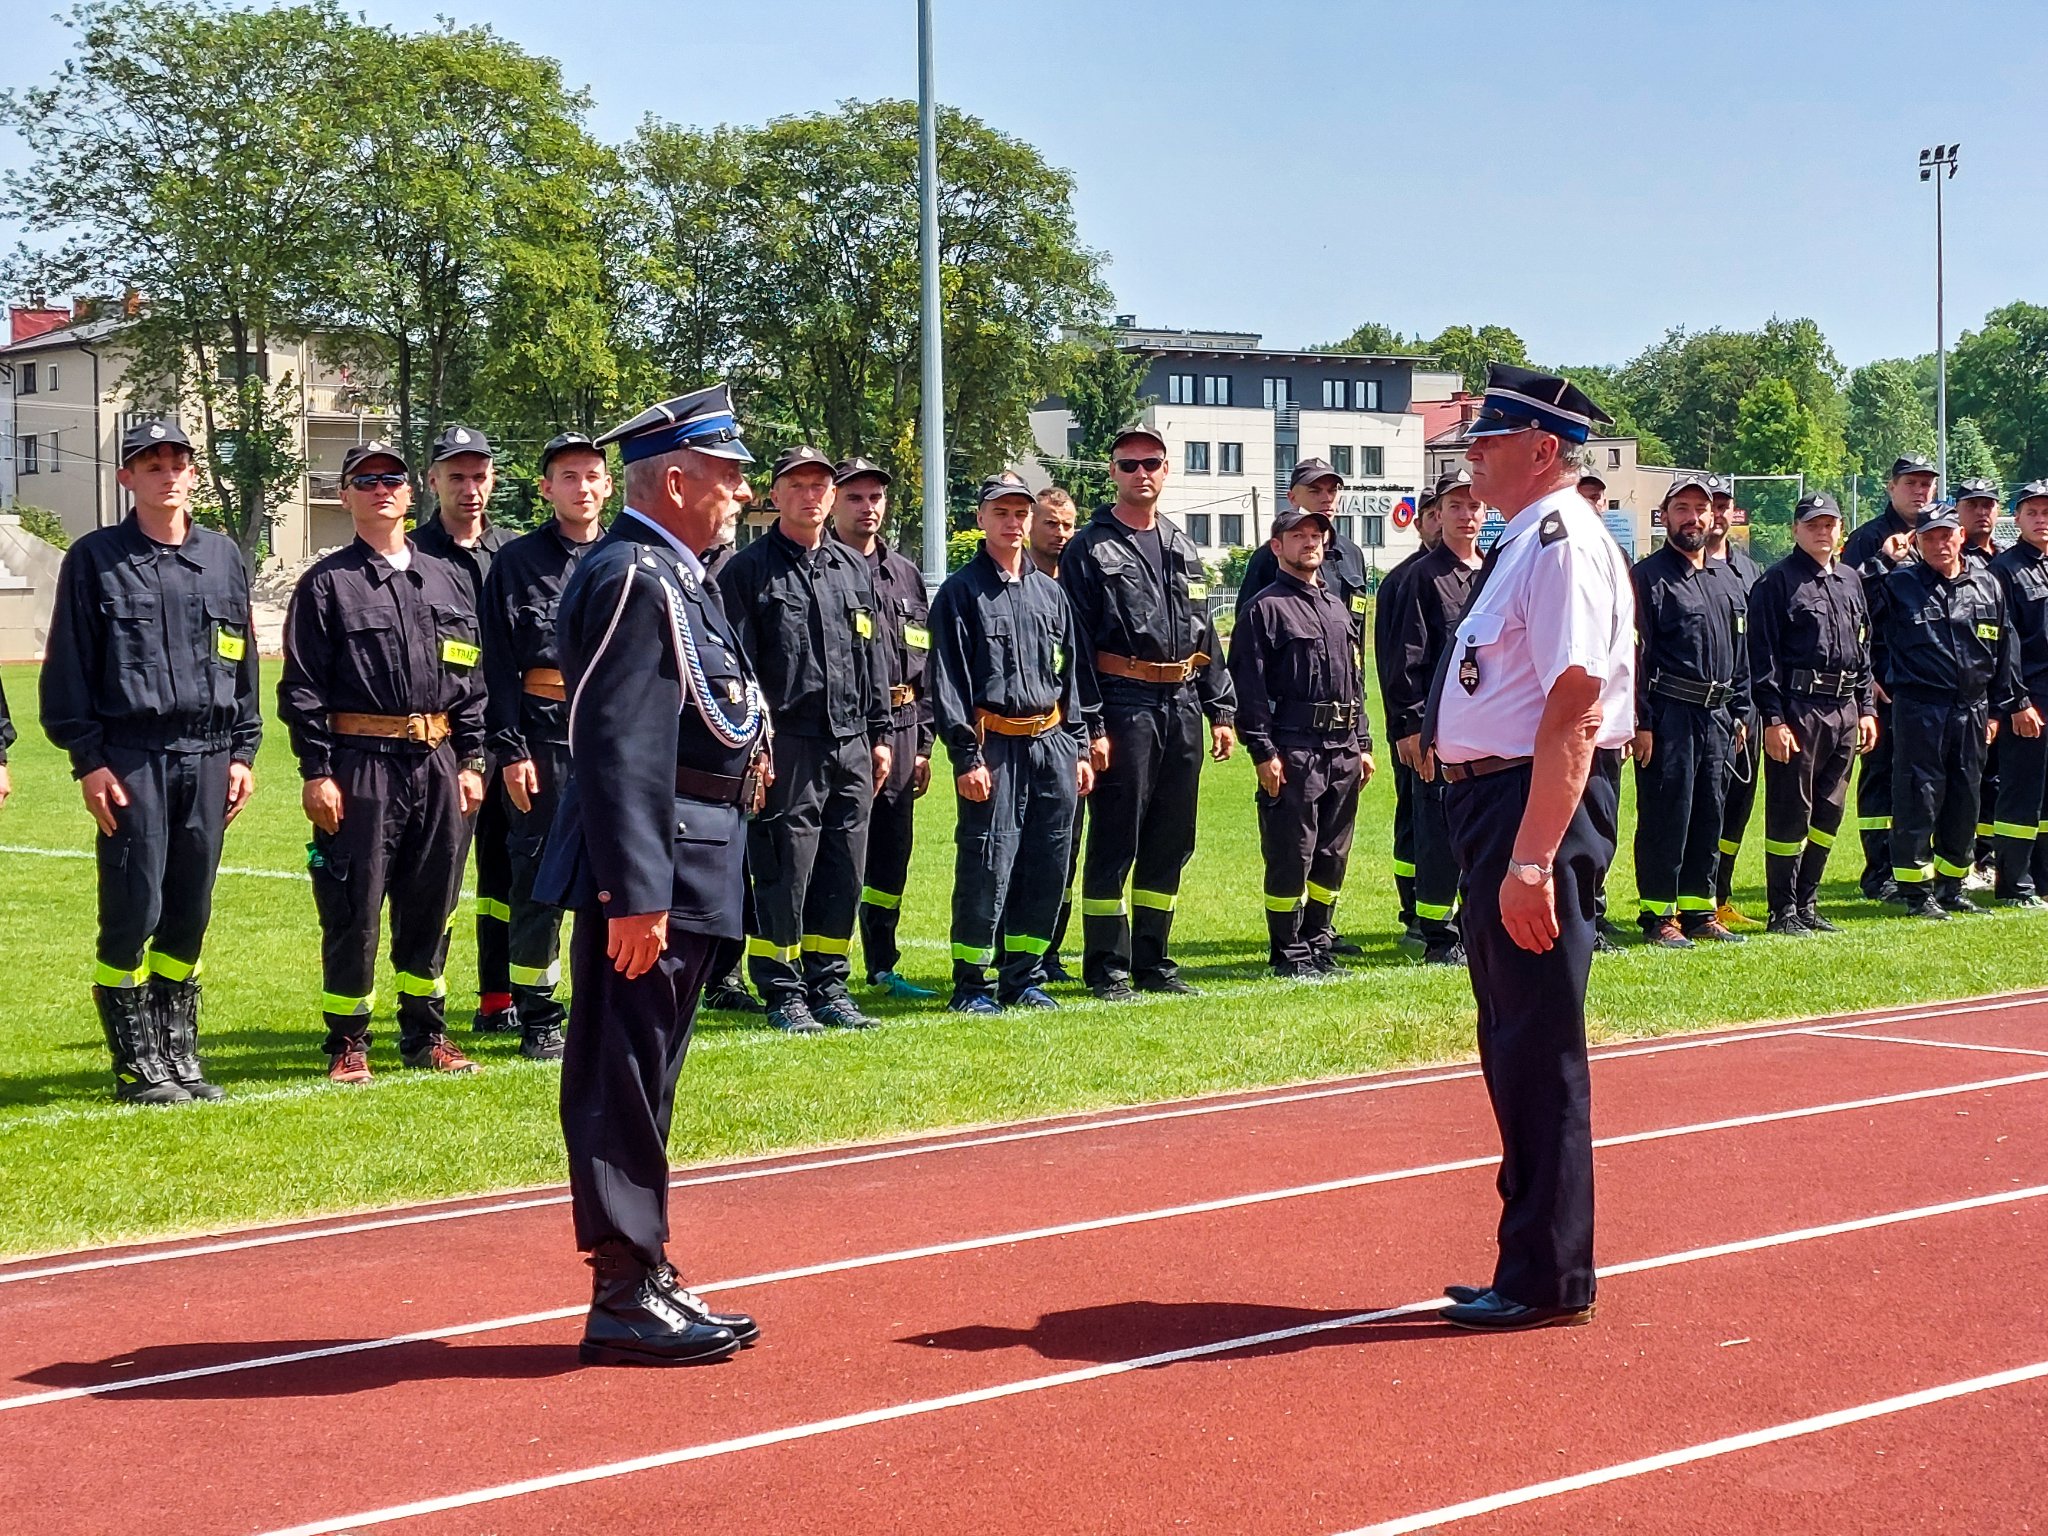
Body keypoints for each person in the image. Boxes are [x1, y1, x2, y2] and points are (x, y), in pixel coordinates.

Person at [535, 383, 768, 1366]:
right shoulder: (634, 574)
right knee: (620, 1077)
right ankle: (623, 1290)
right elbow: (620, 742)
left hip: (694, 851)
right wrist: (638, 892)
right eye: (727, 474)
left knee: (649, 1078)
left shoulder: (676, 575)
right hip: (657, 867)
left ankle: (648, 1268)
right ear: (675, 478)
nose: (741, 494)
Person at [1422, 364, 1634, 1331]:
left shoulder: (1559, 541)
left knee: (1538, 1041)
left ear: (1542, 449)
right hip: (1496, 804)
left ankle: (1548, 1275)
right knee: (1511, 1037)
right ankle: (1529, 1261)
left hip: (1530, 807)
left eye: (1488, 440)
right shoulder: (1524, 540)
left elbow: (1575, 707)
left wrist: (1533, 859)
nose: (1472, 456)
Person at [39, 419, 261, 1103]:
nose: (167, 473)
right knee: (135, 905)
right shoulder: (95, 558)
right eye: (150, 463)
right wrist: (88, 762)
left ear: (194, 473)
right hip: (132, 755)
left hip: (209, 751)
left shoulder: (223, 558)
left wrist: (244, 749)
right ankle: (136, 1062)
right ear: (126, 478)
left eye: (177, 462)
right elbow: (70, 666)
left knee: (190, 909)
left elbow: (242, 660)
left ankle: (178, 1053)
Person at [278, 439, 488, 1081]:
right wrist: (317, 771)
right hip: (361, 766)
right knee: (354, 906)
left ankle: (428, 1037)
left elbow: (471, 677)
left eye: (392, 478)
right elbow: (303, 688)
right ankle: (348, 1044)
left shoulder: (448, 578)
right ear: (345, 496)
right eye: (365, 480)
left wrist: (474, 757)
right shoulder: (326, 584)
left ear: (410, 491)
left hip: (439, 762)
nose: (381, 489)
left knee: (435, 903)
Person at [1059, 425, 1236, 1000]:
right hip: (1123, 702)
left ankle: (1153, 962)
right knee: (1116, 838)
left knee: (1171, 837)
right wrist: (1091, 728)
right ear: (1112, 472)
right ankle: (1106, 966)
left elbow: (1205, 632)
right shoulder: (1089, 547)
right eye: (1129, 464)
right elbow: (1077, 648)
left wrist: (1221, 709)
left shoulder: (1183, 546)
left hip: (1181, 702)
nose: (1142, 474)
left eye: (1151, 463)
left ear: (1166, 470)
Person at [720, 444, 892, 1033]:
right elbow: (735, 672)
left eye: (820, 485)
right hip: (786, 742)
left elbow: (872, 660)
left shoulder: (851, 568)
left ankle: (830, 983)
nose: (811, 495)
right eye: (797, 484)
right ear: (775, 495)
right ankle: (783, 991)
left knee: (844, 866)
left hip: (850, 742)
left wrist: (881, 734)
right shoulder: (746, 572)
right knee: (783, 870)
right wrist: (752, 747)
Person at [929, 474, 1094, 1012]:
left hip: (1051, 745)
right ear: (980, 519)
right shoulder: (960, 592)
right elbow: (948, 681)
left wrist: (1081, 747)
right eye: (1001, 511)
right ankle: (972, 983)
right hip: (993, 747)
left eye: (1020, 512)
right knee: (987, 860)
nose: (1013, 522)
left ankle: (1022, 976)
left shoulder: (1052, 593)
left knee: (1047, 861)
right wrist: (965, 755)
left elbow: (1073, 674)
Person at [477, 430, 609, 1060]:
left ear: (607, 485)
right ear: (546, 488)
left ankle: (601, 1007)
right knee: (538, 877)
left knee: (617, 875)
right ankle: (537, 1016)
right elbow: (497, 665)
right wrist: (509, 748)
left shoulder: (629, 555)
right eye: (568, 477)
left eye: (591, 475)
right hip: (545, 739)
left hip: (614, 741)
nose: (581, 488)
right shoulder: (517, 562)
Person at [1230, 500, 1369, 977]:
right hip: (1294, 749)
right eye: (1298, 536)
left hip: (1343, 748)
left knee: (1332, 854)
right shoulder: (1264, 609)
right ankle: (1288, 952)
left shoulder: (1335, 606)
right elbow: (1248, 690)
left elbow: (1356, 677)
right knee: (1294, 852)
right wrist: (1263, 752)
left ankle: (1317, 943)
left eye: (1316, 536)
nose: (1309, 542)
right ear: (1277, 546)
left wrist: (1363, 743)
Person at [412, 424, 519, 1034]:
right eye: (456, 476)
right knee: (440, 877)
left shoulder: (515, 553)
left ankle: (498, 1000)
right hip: (444, 743)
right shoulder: (415, 557)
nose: (470, 488)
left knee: (508, 875)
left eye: (479, 476)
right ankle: (426, 1009)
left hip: (513, 739)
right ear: (433, 482)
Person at [1874, 502, 2024, 918]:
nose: (1940, 543)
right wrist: (1883, 559)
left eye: (1946, 534)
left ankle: (1952, 887)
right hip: (1921, 708)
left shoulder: (1987, 584)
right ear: (1917, 542)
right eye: (1930, 536)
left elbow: (2004, 650)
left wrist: (2000, 708)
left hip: (1973, 709)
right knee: (1918, 797)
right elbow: (1855, 606)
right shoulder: (1899, 584)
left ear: (1960, 536)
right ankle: (1915, 893)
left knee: (1965, 798)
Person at [1745, 492, 1878, 935]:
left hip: (1843, 710)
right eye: (1813, 524)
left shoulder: (1850, 580)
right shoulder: (1776, 582)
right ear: (1795, 530)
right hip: (1798, 710)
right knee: (1790, 810)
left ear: (1840, 530)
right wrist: (1773, 719)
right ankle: (1782, 909)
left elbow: (1863, 650)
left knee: (1829, 810)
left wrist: (1866, 708)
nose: (1823, 532)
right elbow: (1762, 659)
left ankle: (1808, 901)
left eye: (1830, 524)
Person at [1630, 474, 1750, 948]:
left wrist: (1740, 711)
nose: (1693, 517)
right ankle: (1658, 914)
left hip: (1719, 717)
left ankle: (1699, 911)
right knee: (1667, 813)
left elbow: (1743, 652)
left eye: (1701, 509)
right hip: (1670, 714)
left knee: (1709, 813)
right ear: (1665, 518)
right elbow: (1635, 656)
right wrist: (1640, 722)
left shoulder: (1727, 579)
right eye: (1682, 509)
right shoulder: (1648, 577)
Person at [834, 456, 936, 1002]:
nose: (867, 507)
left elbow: (925, 662)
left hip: (901, 726)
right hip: (844, 729)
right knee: (836, 853)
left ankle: (881, 964)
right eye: (854, 497)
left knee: (891, 854)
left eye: (875, 497)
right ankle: (822, 966)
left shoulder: (906, 574)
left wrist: (922, 745)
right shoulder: (823, 567)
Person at [1386, 471, 1485, 964]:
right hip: (1437, 730)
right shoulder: (1421, 578)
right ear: (1437, 515)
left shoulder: (1493, 574)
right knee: (1437, 831)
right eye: (1455, 507)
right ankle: (1436, 935)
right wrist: (1409, 727)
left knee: (1481, 829)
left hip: (1487, 728)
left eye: (1473, 507)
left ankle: (1474, 926)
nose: (1466, 516)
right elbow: (1407, 658)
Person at [1844, 453, 1939, 901]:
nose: (1920, 491)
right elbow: (1847, 613)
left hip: (1928, 682)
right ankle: (1878, 871)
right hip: (1883, 681)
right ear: (1891, 486)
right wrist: (1868, 675)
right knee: (1882, 777)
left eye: (1927, 484)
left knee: (1924, 778)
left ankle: (1917, 865)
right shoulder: (1867, 540)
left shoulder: (1937, 538)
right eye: (1911, 483)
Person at [1021, 485, 1091, 980]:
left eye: (1067, 524)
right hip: (1017, 734)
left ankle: (1049, 950)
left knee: (1063, 848)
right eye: (1051, 523)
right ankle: (1018, 954)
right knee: (1018, 848)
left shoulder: (1081, 582)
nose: (1060, 533)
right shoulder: (1016, 581)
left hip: (1070, 731)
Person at [1372, 489, 1443, 949]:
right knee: (1415, 813)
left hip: (1463, 727)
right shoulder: (1402, 581)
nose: (1442, 524)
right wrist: (1406, 725)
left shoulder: (1477, 574)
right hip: (1414, 724)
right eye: (1434, 516)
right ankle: (1414, 907)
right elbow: (1392, 661)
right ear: (1419, 524)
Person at [1704, 478, 1765, 928]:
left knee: (1738, 805)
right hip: (1697, 708)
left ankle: (1720, 894)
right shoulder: (1684, 566)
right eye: (1711, 506)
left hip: (1745, 708)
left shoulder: (1750, 571)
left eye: (1724, 505)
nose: (1718, 515)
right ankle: (1695, 898)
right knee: (1703, 804)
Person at [1990, 481, 2048, 904]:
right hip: (2031, 695)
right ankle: (2015, 884)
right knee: (2021, 793)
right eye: (2033, 512)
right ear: (2018, 518)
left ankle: (2043, 879)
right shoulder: (2005, 570)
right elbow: (2002, 644)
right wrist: (2017, 701)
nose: (2042, 519)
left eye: (2047, 511)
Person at [1956, 477, 2005, 883]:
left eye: (1988, 504)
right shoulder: (1951, 557)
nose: (1982, 512)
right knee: (1962, 781)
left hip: (1996, 693)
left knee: (1994, 781)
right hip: (1957, 695)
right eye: (1973, 505)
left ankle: (1988, 858)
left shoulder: (2004, 561)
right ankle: (1963, 861)